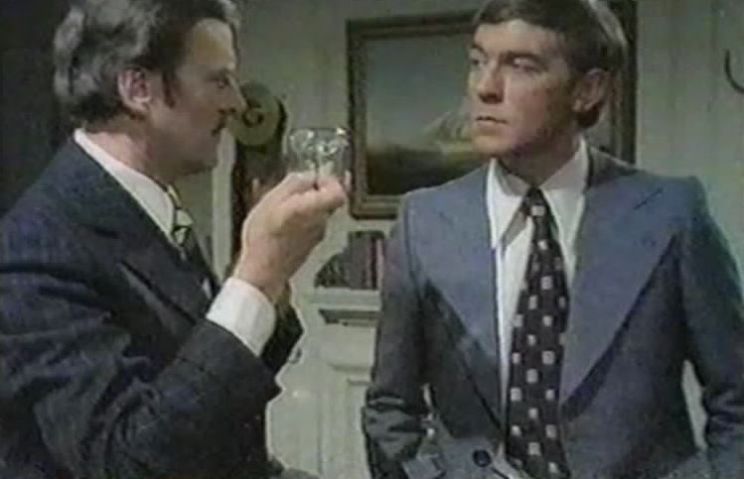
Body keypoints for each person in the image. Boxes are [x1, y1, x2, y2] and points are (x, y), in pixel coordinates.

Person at [362, 1, 744, 478]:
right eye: (478, 61)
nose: (485, 88)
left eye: (521, 66)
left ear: (587, 90)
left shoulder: (670, 214)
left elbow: (737, 399)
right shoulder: (424, 222)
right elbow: (390, 407)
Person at [0, 1, 346, 478]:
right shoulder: (35, 248)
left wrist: (274, 272)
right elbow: (129, 461)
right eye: (219, 80)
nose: (237, 103)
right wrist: (257, 278)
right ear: (138, 89)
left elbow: (201, 387)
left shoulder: (151, 205)